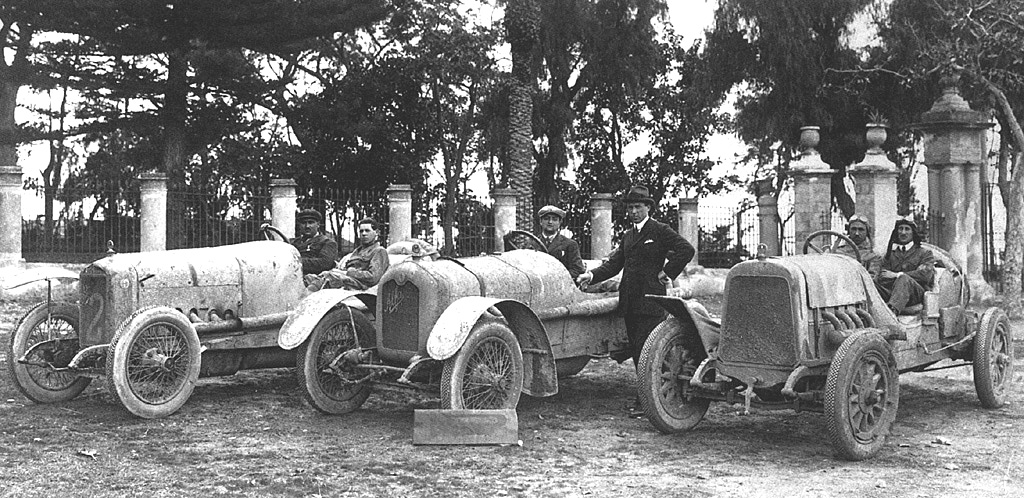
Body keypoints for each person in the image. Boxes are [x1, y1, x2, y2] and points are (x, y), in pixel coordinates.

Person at [576, 186, 695, 369]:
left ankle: (646, 395)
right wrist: (591, 276)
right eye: (630, 208)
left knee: (648, 351)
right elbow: (614, 264)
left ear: (648, 207)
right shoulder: (628, 236)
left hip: (651, 302)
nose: (634, 212)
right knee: (637, 351)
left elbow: (686, 250)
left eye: (638, 207)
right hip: (630, 302)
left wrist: (668, 272)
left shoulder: (659, 230)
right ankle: (644, 392)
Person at [305, 218, 389, 291]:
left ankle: (306, 298)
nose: (363, 234)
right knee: (310, 277)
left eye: (367, 231)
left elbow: (373, 278)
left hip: (361, 286)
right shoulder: (357, 251)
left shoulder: (379, 251)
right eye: (361, 231)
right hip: (348, 281)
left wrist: (349, 272)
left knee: (329, 276)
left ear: (376, 232)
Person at [875, 217, 935, 315]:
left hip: (914, 294)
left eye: (907, 229)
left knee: (903, 278)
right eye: (900, 229)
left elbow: (924, 275)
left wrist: (897, 275)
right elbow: (883, 275)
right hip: (893, 292)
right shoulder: (891, 253)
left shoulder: (924, 253)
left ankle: (891, 313)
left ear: (913, 233)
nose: (903, 232)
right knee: (870, 283)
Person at [536, 205, 586, 280]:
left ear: (560, 222)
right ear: (540, 221)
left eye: (554, 219)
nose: (550, 222)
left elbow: (577, 269)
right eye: (546, 219)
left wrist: (557, 278)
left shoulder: (569, 244)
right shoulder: (532, 243)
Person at [291, 209, 338, 275]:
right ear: (299, 225)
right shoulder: (294, 243)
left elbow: (324, 263)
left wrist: (295, 261)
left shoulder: (327, 242)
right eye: (303, 223)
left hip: (314, 280)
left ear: (318, 224)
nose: (307, 226)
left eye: (311, 222)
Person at [833, 215, 881, 279]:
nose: (857, 233)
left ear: (867, 232)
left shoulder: (873, 255)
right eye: (853, 229)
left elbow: (871, 280)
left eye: (861, 230)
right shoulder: (837, 251)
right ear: (849, 230)